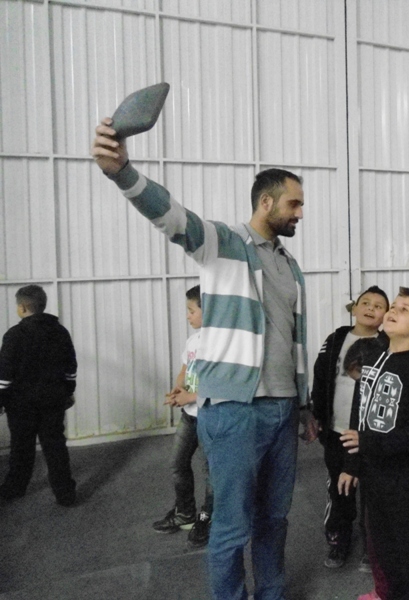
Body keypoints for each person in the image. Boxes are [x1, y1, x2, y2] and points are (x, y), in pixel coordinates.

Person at [91, 119, 318, 600]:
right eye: (294, 203)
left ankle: (271, 594)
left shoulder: (289, 265)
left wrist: (302, 404)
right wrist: (122, 171)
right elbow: (171, 216)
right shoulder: (224, 242)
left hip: (282, 410)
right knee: (233, 524)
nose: (301, 212)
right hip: (235, 410)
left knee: (275, 518)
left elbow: (294, 341)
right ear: (266, 202)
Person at [338, 287, 409, 600]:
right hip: (374, 476)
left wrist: (371, 443)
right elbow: (359, 412)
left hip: (407, 482)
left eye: (404, 309)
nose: (393, 311)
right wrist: (352, 464)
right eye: (393, 306)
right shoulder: (374, 358)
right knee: (385, 554)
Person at [311, 285, 389, 569]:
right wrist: (316, 415)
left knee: (371, 490)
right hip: (336, 430)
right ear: (354, 308)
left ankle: (371, 544)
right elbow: (321, 376)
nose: (370, 308)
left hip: (368, 434)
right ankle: (338, 538)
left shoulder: (387, 345)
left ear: (385, 315)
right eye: (365, 303)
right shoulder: (336, 338)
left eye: (378, 306)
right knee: (339, 488)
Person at [0, 285, 77, 506]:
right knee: (55, 446)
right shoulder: (60, 331)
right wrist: (68, 391)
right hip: (53, 400)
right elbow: (70, 367)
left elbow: (4, 375)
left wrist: (1, 399)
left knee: (21, 446)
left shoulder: (14, 335)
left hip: (21, 404)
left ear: (23, 308)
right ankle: (65, 494)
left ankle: (15, 487)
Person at [152, 285, 214, 548]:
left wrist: (191, 397)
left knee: (211, 472)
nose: (187, 316)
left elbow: (221, 386)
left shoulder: (219, 344)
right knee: (178, 463)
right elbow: (184, 371)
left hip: (210, 417)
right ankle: (185, 513)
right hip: (189, 417)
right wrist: (179, 388)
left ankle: (207, 518)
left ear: (207, 310)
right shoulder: (193, 341)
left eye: (191, 311)